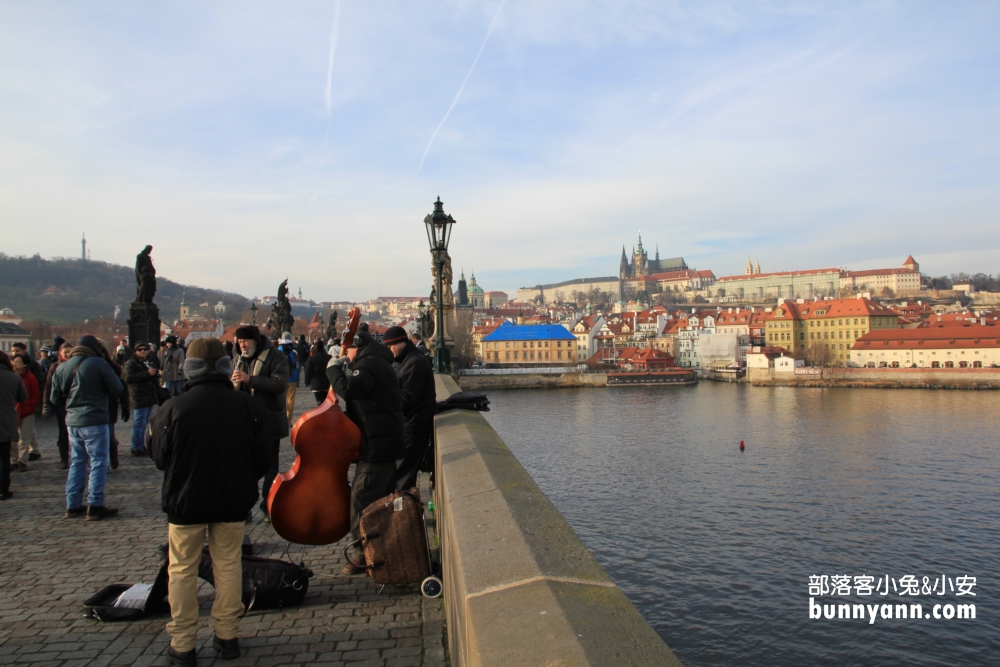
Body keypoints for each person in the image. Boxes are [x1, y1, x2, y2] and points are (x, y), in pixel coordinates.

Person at [148, 338, 267, 666]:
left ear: (190, 368)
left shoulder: (173, 408)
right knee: (228, 565)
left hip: (186, 501)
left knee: (182, 569)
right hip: (232, 499)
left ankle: (183, 643)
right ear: (227, 367)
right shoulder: (247, 406)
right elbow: (263, 459)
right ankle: (227, 637)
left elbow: (159, 458)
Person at [326, 330, 405, 575]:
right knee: (380, 502)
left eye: (346, 349)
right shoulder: (377, 361)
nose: (345, 354)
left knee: (360, 500)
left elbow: (351, 390)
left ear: (355, 348)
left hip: (377, 446)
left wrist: (333, 369)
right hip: (381, 442)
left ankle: (365, 554)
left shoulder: (368, 364)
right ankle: (384, 552)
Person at [51, 335, 125, 520]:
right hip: (95, 419)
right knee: (99, 462)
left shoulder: (62, 366)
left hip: (73, 422)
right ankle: (95, 504)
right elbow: (117, 388)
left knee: (77, 462)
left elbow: (54, 399)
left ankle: (73, 504)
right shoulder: (98, 364)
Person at [231, 325, 288, 521]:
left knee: (270, 465)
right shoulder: (237, 359)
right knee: (244, 466)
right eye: (239, 342)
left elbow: (280, 385)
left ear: (256, 341)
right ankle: (244, 507)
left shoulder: (275, 357)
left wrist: (250, 379)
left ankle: (268, 505)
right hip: (243, 420)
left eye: (245, 341)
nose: (242, 346)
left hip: (268, 418)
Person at [383, 327, 436, 491]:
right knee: (400, 473)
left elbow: (407, 399)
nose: (389, 350)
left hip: (413, 426)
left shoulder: (415, 363)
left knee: (403, 475)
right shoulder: (409, 360)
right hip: (409, 424)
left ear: (400, 343)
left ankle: (403, 511)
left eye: (390, 346)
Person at [97, 341, 129, 471]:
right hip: (95, 408)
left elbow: (121, 388)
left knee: (109, 436)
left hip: (109, 407)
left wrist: (125, 406)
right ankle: (102, 462)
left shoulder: (112, 368)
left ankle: (113, 455)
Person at [124, 341, 159, 456]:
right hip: (139, 396)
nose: (142, 351)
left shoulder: (147, 361)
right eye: (140, 350)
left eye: (144, 349)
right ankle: (136, 447)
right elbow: (128, 378)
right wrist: (147, 374)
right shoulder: (131, 363)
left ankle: (141, 444)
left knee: (144, 423)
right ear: (135, 351)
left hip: (149, 395)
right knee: (139, 423)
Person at [11, 342, 45, 461]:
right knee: (27, 431)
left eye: (17, 351)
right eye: (13, 351)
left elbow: (37, 386)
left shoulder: (32, 368)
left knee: (25, 433)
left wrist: (33, 404)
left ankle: (22, 460)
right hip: (15, 408)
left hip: (27, 406)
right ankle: (34, 450)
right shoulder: (11, 374)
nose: (14, 354)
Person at [0, 351, 27, 500]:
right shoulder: (14, 377)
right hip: (6, 418)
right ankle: (3, 489)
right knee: (4, 454)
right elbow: (22, 397)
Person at [42, 343, 73, 468]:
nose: (67, 354)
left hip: (75, 402)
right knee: (63, 431)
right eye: (65, 352)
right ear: (60, 353)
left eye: (69, 351)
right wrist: (46, 404)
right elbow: (48, 386)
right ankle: (64, 458)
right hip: (61, 402)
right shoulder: (55, 366)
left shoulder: (78, 364)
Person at [277, 332, 298, 426]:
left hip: (280, 378)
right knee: (291, 400)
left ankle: (280, 418)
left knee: (281, 399)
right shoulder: (293, 352)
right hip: (292, 378)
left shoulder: (277, 351)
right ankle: (288, 420)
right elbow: (295, 363)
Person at [303, 340, 331, 404]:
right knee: (326, 402)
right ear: (323, 347)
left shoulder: (311, 358)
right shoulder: (329, 357)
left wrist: (307, 382)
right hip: (327, 382)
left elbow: (308, 371)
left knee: (319, 401)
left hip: (316, 383)